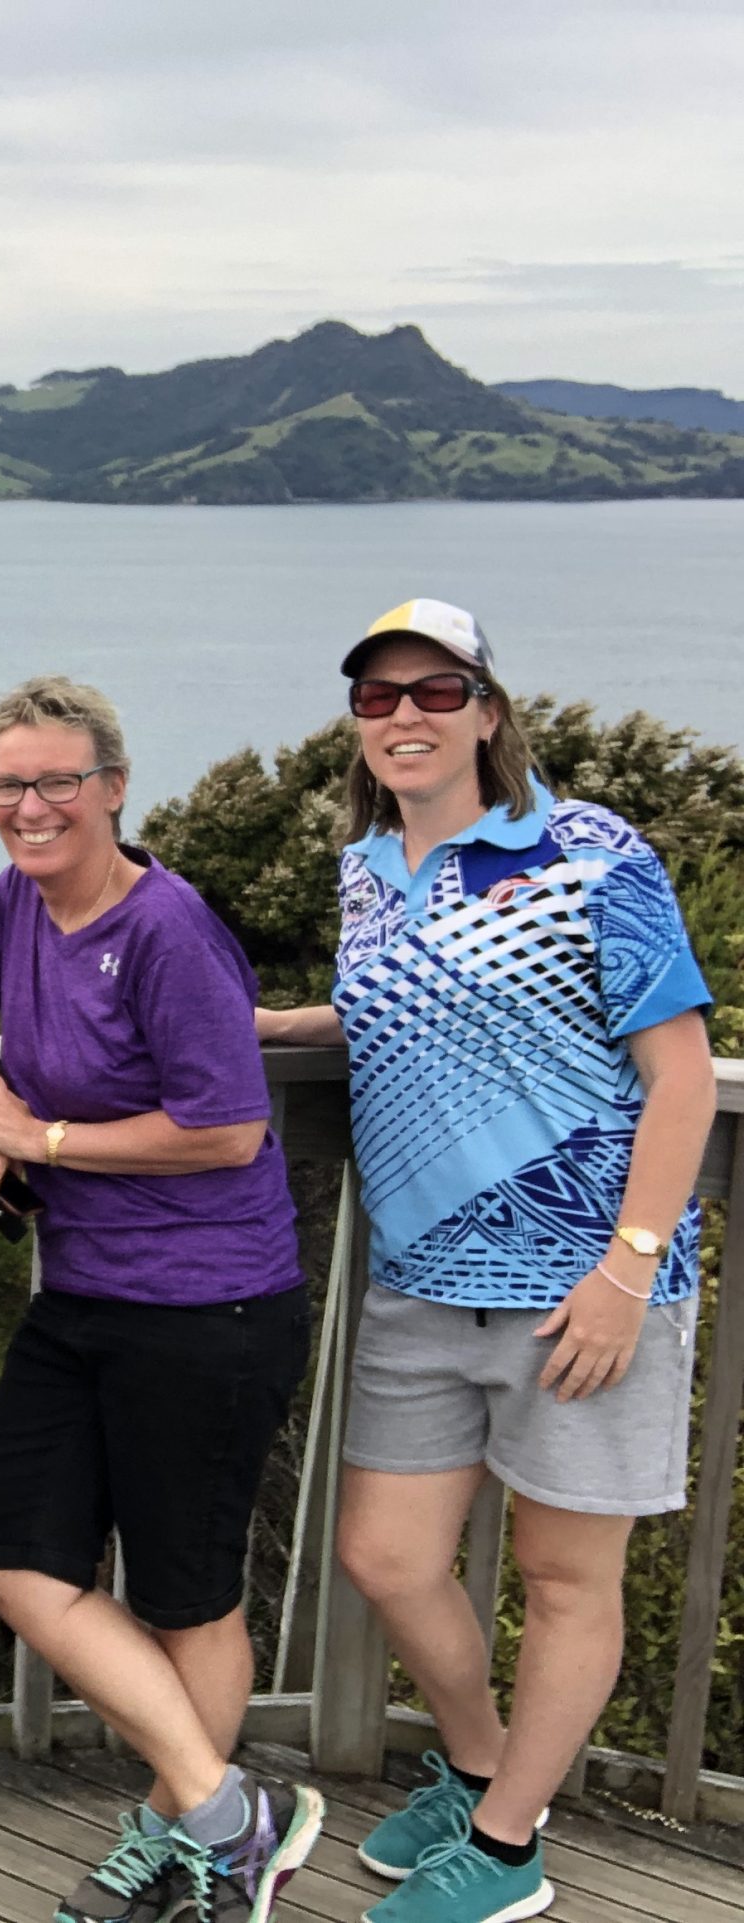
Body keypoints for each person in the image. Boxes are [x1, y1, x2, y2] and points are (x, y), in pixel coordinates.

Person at [257, 601, 716, 1923]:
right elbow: (412, 998)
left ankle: (510, 1845)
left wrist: (626, 1271)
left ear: (488, 711)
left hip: (582, 1289)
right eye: (377, 696)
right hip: (420, 1283)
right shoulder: (367, 868)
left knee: (564, 1578)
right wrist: (286, 1023)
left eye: (435, 690)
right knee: (386, 1557)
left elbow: (682, 1075)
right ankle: (476, 1769)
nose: (404, 714)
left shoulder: (591, 853)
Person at [0, 675, 322, 1923]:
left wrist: (41, 1138)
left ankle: (182, 1841)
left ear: (114, 788)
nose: (30, 808)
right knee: (12, 1557)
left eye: (57, 783)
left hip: (210, 1306)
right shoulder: (24, 900)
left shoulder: (167, 930)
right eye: (7, 785)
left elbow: (226, 1129)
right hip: (84, 1290)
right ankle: (226, 1814)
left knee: (187, 1593)